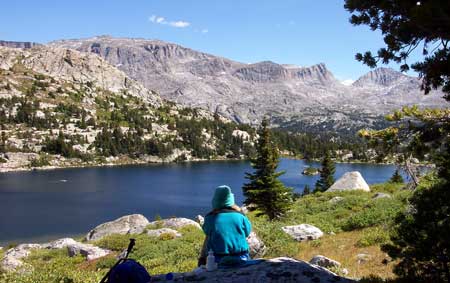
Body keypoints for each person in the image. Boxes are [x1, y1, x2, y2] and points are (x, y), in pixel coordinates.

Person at [198, 185, 252, 266]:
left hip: (217, 259)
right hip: (241, 257)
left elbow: (207, 233)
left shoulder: (210, 217)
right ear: (231, 200)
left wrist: (202, 257)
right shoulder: (241, 216)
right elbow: (247, 232)